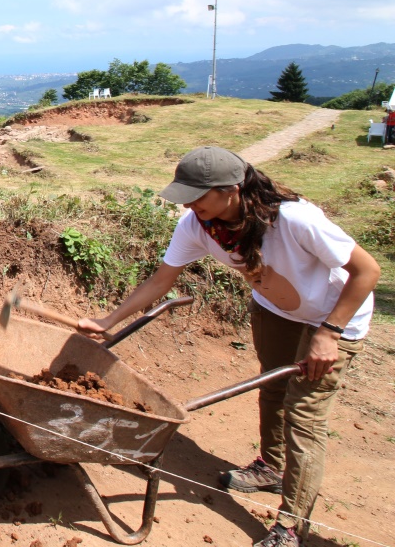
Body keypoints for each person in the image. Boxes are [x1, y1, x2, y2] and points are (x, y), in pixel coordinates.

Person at [76, 146, 379, 547]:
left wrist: (330, 332)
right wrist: (107, 321)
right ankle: (271, 467)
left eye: (198, 196)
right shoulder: (198, 226)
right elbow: (159, 282)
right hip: (276, 309)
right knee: (272, 389)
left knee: (303, 416)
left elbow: (367, 270)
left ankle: (290, 526)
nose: (190, 204)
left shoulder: (293, 219)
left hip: (334, 317)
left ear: (232, 190)